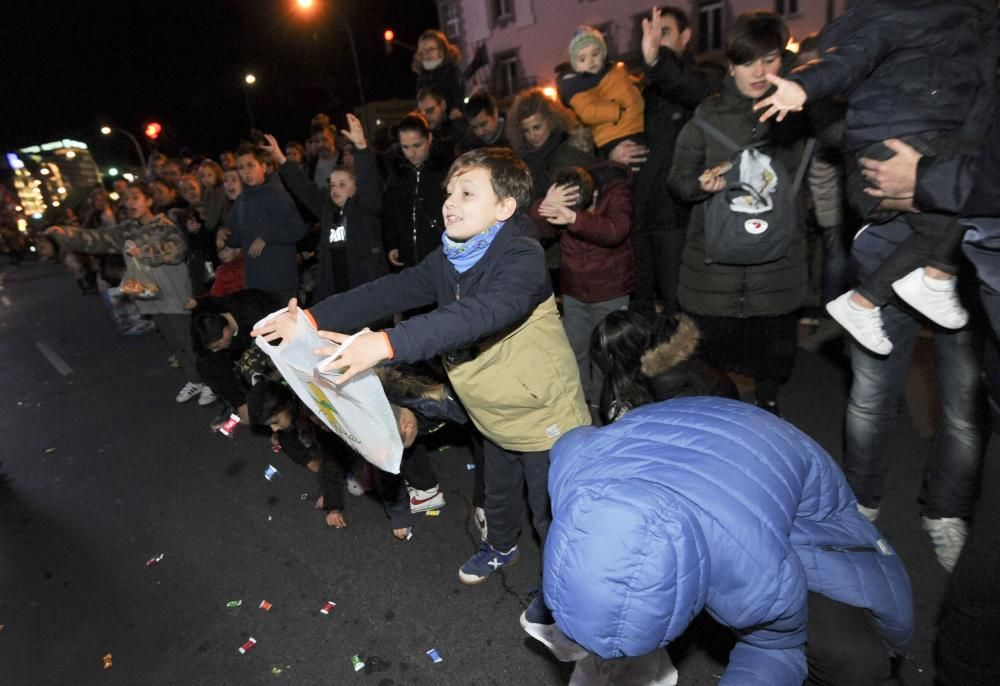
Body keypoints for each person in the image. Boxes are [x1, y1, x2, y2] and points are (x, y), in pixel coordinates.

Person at [252, 147, 590, 585]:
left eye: (468, 193)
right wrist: (311, 318)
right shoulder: (452, 255)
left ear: (505, 207)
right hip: (490, 408)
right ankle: (501, 548)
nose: (450, 202)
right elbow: (391, 290)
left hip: (543, 413)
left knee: (553, 515)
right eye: (450, 192)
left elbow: (478, 315)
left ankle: (568, 595)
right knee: (499, 497)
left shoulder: (522, 258)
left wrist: (387, 343)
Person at [533, 396, 914, 686]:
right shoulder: (574, 473)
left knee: (855, 660)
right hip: (685, 426)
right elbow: (575, 445)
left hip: (785, 488)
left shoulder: (754, 567)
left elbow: (776, 647)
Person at [755, 0, 997, 355]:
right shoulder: (918, 14)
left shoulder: (967, 24)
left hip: (924, 137)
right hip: (904, 140)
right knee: (957, 212)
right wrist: (805, 85)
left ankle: (883, 295)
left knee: (952, 216)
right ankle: (908, 285)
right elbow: (858, 53)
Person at [667, 11, 809, 415]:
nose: (759, 71)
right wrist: (698, 184)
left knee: (771, 366)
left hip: (776, 268)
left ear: (784, 60)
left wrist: (810, 90)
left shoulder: (801, 113)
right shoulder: (707, 116)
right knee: (710, 370)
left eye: (769, 59)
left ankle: (767, 406)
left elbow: (838, 138)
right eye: (747, 61)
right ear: (731, 65)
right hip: (714, 271)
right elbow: (677, 180)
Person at [45, 183, 210, 404]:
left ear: (148, 201)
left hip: (175, 293)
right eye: (126, 199)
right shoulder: (127, 230)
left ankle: (210, 381)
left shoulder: (164, 224)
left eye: (135, 197)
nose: (130, 203)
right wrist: (66, 233)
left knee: (188, 340)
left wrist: (143, 253)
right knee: (174, 342)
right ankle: (195, 380)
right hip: (151, 296)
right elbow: (98, 239)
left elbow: (177, 251)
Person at [629, 6, 723, 319]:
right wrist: (616, 153)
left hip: (677, 215)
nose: (656, 39)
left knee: (679, 306)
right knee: (642, 306)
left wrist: (657, 60)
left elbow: (691, 86)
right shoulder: (646, 88)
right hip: (643, 210)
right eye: (651, 34)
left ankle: (689, 366)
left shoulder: (706, 77)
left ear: (686, 36)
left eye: (664, 32)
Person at [249, 380, 417, 538]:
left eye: (275, 421)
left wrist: (332, 504)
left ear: (287, 405)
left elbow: (331, 458)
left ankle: (399, 507)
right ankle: (356, 467)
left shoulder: (316, 411)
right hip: (335, 437)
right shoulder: (292, 418)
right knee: (304, 447)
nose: (273, 428)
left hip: (366, 432)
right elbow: (315, 460)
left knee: (378, 466)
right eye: (269, 425)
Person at [532, 164, 634, 405]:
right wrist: (544, 205)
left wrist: (575, 217)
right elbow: (535, 228)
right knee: (573, 352)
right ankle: (579, 405)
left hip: (610, 292)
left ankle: (603, 405)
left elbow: (615, 231)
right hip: (575, 293)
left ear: (595, 195)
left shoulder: (617, 194)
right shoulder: (565, 197)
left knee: (606, 356)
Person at [263, 115, 388, 303]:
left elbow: (370, 182)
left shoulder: (365, 208)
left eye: (342, 184)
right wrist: (282, 160)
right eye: (332, 185)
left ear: (355, 187)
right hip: (336, 291)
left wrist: (361, 148)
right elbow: (305, 188)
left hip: (365, 291)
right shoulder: (327, 208)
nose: (335, 189)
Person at [590, 310, 737, 424]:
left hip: (719, 419)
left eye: (610, 358)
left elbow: (676, 428)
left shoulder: (665, 377)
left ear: (625, 352)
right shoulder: (642, 351)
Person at [221, 143, 307, 305]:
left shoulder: (275, 193)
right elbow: (234, 239)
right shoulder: (242, 200)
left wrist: (267, 237)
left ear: (263, 167)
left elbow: (298, 229)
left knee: (290, 329)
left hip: (281, 283)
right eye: (241, 167)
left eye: (250, 165)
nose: (246, 171)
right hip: (255, 283)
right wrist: (223, 233)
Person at [192, 289, 277, 426]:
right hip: (239, 341)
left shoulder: (254, 313)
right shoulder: (206, 323)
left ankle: (271, 400)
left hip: (267, 335)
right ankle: (241, 403)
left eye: (217, 345)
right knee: (206, 363)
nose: (215, 350)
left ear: (225, 333)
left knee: (251, 364)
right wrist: (240, 403)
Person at [558, 26, 644, 160]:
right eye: (582, 59)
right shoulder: (578, 87)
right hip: (615, 135)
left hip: (632, 128)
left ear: (603, 54)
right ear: (576, 65)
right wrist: (615, 110)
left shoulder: (610, 70)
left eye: (595, 54)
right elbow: (588, 112)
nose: (590, 61)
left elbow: (621, 86)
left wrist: (636, 85)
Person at [381, 113, 453, 268]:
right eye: (405, 147)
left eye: (417, 145)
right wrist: (392, 243)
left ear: (429, 139)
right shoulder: (397, 172)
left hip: (441, 255)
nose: (411, 153)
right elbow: (390, 211)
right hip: (408, 256)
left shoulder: (445, 170)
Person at [413, 29, 465, 123]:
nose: (427, 54)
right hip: (430, 121)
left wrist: (456, 109)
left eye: (431, 49)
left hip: (451, 120)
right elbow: (420, 100)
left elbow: (459, 93)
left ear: (441, 49)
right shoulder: (422, 77)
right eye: (423, 51)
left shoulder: (451, 71)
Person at [417, 86, 465, 157]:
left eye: (430, 110)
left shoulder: (459, 127)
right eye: (421, 113)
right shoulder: (421, 132)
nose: (425, 117)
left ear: (443, 105)